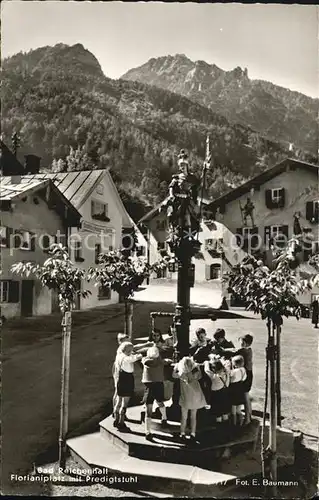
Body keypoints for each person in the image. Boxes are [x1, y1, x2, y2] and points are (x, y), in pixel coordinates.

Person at [172, 357, 206, 444]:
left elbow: (173, 375)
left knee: (184, 417)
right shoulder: (195, 373)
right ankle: (193, 433)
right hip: (195, 397)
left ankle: (182, 433)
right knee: (193, 417)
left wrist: (176, 367)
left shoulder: (181, 374)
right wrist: (198, 367)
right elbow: (200, 376)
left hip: (185, 398)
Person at [141, 346, 172, 441]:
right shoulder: (160, 361)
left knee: (148, 408)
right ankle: (164, 418)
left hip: (149, 386)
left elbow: (143, 359)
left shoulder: (145, 361)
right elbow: (167, 361)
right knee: (160, 402)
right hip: (158, 384)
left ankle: (148, 431)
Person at [113, 341, 143, 431]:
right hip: (127, 380)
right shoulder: (128, 359)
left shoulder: (119, 355)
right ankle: (121, 422)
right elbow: (136, 357)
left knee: (118, 400)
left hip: (120, 379)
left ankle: (116, 419)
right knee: (124, 403)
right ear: (128, 350)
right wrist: (140, 354)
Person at [204, 358, 230, 425]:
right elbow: (227, 364)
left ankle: (219, 428)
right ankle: (227, 427)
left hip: (216, 396)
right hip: (225, 394)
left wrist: (206, 362)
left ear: (213, 369)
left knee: (218, 414)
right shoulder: (226, 372)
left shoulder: (214, 377)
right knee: (224, 412)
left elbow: (206, 370)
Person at [112, 333, 129, 417]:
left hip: (117, 370)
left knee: (118, 393)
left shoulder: (122, 348)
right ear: (120, 342)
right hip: (119, 372)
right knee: (118, 393)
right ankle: (116, 411)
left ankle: (116, 411)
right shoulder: (122, 350)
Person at [229, 355, 247, 427]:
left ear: (235, 364)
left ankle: (234, 424)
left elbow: (231, 380)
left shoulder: (234, 371)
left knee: (233, 410)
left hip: (234, 390)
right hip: (240, 388)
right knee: (238, 410)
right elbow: (244, 378)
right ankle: (241, 423)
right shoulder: (243, 369)